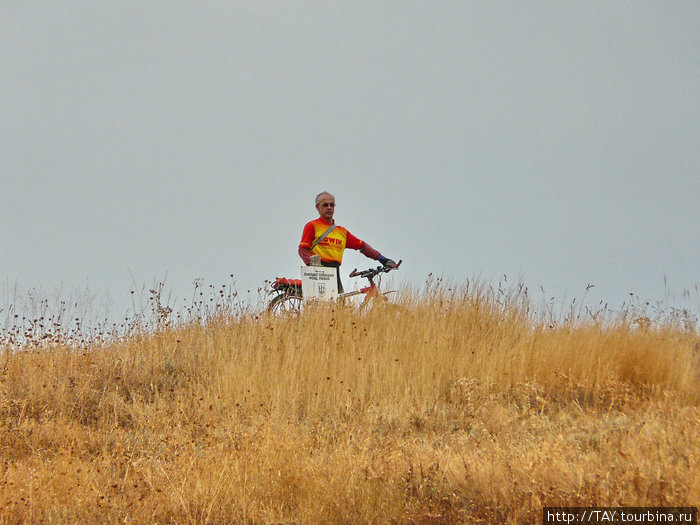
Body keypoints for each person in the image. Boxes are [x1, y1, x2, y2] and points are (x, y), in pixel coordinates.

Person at [299, 192, 397, 293]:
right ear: (317, 207)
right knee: (325, 304)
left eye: (332, 205)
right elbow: (302, 249)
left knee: (340, 305)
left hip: (335, 271)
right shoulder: (312, 226)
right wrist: (313, 267)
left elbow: (362, 246)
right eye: (325, 205)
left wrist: (383, 259)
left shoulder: (341, 232)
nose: (329, 207)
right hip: (318, 270)